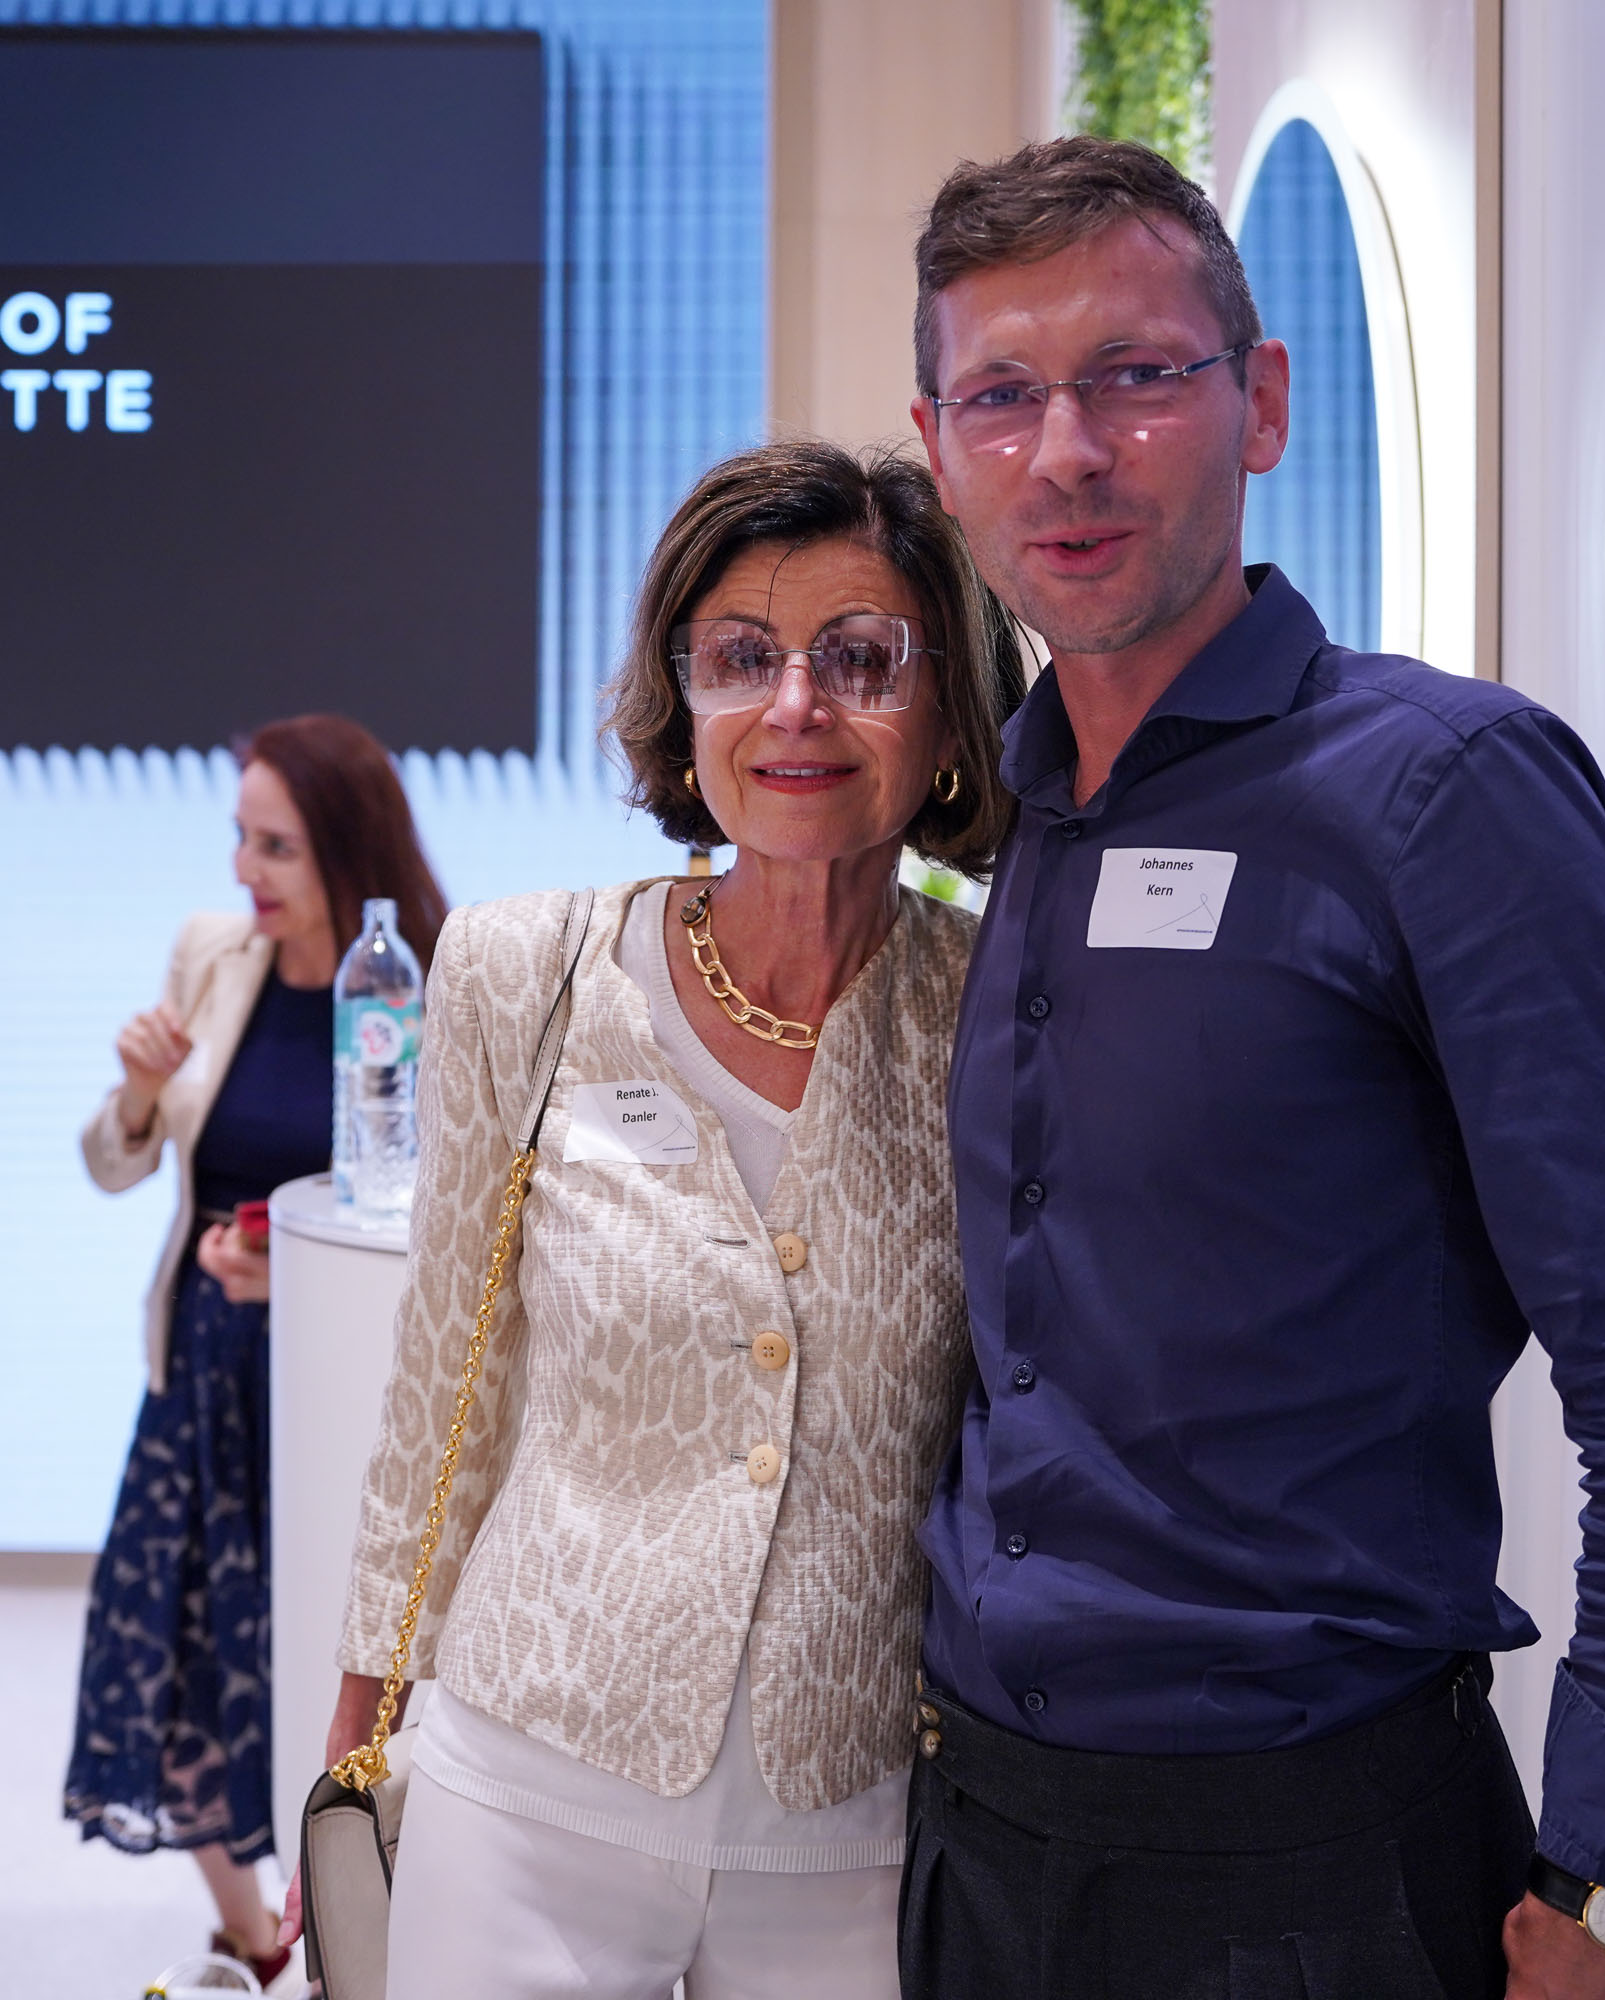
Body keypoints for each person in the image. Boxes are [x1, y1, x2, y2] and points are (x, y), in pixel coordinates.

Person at [898, 138, 1605, 2000]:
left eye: (1135, 374)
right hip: (985, 1845)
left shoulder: (1441, 791)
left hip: (1305, 1878)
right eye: (1003, 395)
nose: (1066, 452)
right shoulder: (1031, 818)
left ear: (1261, 404)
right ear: (941, 451)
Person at [307, 440, 1023, 1999]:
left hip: (852, 1819)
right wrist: (358, 1733)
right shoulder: (525, 972)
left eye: (862, 660)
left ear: (950, 715)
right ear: (681, 701)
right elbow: (444, 1393)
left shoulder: (1003, 1011)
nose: (796, 706)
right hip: (528, 1785)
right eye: (742, 658)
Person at [66, 715, 445, 1981]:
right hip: (207, 1369)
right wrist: (136, 1092)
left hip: (345, 1375)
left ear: (348, 844)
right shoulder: (212, 955)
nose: (246, 869)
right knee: (173, 1653)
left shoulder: (432, 975)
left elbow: (455, 1220)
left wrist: (303, 1270)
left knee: (331, 1660)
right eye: (240, 836)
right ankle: (248, 1934)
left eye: (275, 844)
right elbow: (114, 1162)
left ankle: (350, 1929)